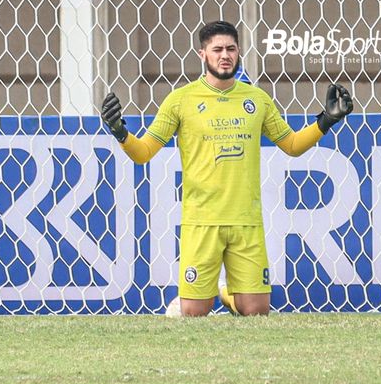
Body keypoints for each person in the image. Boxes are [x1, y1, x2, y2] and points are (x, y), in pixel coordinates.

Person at [101, 21, 353, 316]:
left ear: (238, 53)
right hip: (201, 222)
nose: (225, 55)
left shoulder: (257, 100)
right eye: (217, 49)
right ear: (202, 55)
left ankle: (226, 295)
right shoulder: (181, 101)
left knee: (256, 312)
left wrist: (327, 120)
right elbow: (143, 153)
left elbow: (292, 145)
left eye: (231, 49)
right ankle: (213, 293)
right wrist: (120, 131)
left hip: (246, 221)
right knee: (194, 313)